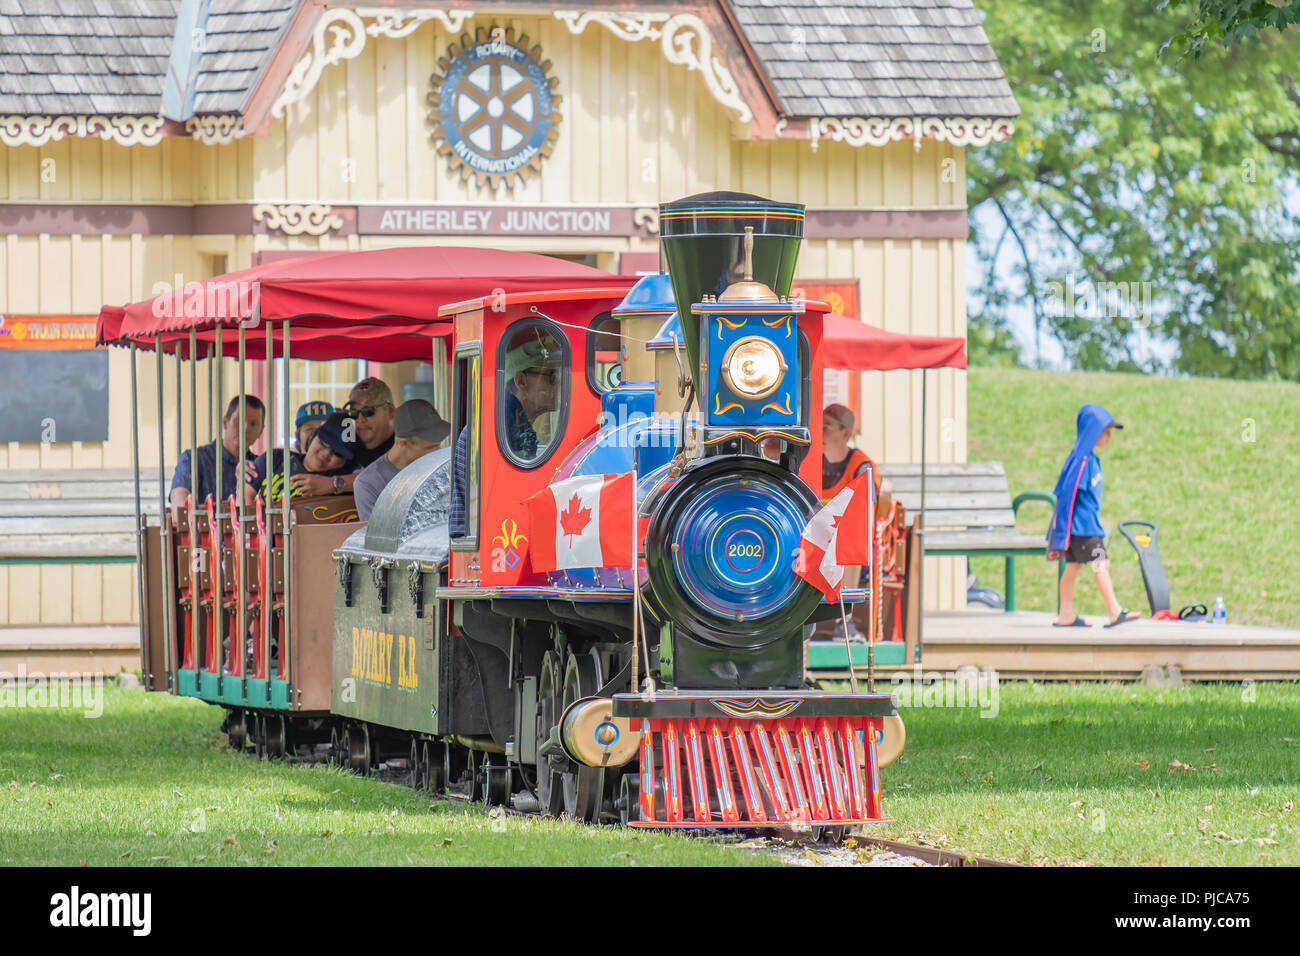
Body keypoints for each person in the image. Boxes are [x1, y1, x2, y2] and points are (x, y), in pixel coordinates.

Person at [1047, 403, 1141, 628]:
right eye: (1105, 431)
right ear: (1092, 431)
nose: (1109, 436)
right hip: (1085, 529)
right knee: (1101, 563)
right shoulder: (1082, 462)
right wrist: (1060, 533)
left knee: (1073, 567)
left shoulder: (1087, 459)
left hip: (1083, 528)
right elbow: (1067, 495)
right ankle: (1114, 612)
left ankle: (1065, 615)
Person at [291, 377, 395, 496]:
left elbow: (393, 479)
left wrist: (333, 484)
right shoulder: (349, 438)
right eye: (354, 412)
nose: (360, 419)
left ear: (390, 411)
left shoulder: (404, 441)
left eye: (368, 411)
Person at [169, 395, 264, 522]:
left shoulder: (261, 467)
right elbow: (180, 511)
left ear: (261, 431)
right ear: (225, 422)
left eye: (253, 424)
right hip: (202, 534)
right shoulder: (193, 459)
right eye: (240, 420)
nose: (246, 428)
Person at [353, 400, 450, 520]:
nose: (438, 452)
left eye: (438, 446)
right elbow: (376, 531)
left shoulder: (442, 470)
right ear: (404, 443)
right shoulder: (368, 484)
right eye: (430, 448)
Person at [251, 411, 354, 504]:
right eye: (324, 442)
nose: (326, 453)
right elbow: (245, 499)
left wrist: (332, 484)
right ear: (313, 436)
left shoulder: (346, 483)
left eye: (338, 453)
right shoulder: (276, 457)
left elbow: (363, 479)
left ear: (345, 461)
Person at [502, 337, 560, 461]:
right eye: (552, 376)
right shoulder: (498, 431)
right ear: (521, 381)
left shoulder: (513, 426)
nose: (559, 384)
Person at [821, 403, 881, 503]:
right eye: (818, 427)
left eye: (825, 428)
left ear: (846, 433)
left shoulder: (861, 466)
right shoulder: (812, 461)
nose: (819, 433)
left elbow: (867, 508)